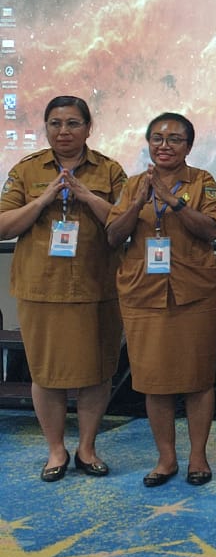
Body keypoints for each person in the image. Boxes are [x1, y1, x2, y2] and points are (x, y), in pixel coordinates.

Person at [0, 96, 126, 482]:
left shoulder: (109, 170)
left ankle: (87, 448)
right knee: (46, 373)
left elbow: (124, 225)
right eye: (55, 123)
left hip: (95, 286)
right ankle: (56, 450)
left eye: (73, 123)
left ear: (88, 128)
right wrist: (42, 200)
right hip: (42, 288)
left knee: (97, 371)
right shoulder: (27, 170)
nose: (63, 131)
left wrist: (87, 197)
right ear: (46, 128)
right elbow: (3, 226)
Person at [106, 113, 216, 487]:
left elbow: (211, 229)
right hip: (144, 291)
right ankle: (166, 458)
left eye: (174, 139)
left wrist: (173, 201)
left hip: (195, 291)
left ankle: (198, 457)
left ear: (188, 146)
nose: (164, 145)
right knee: (153, 379)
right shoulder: (132, 185)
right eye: (157, 138)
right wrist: (136, 204)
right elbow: (113, 236)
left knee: (198, 377)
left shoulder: (202, 181)